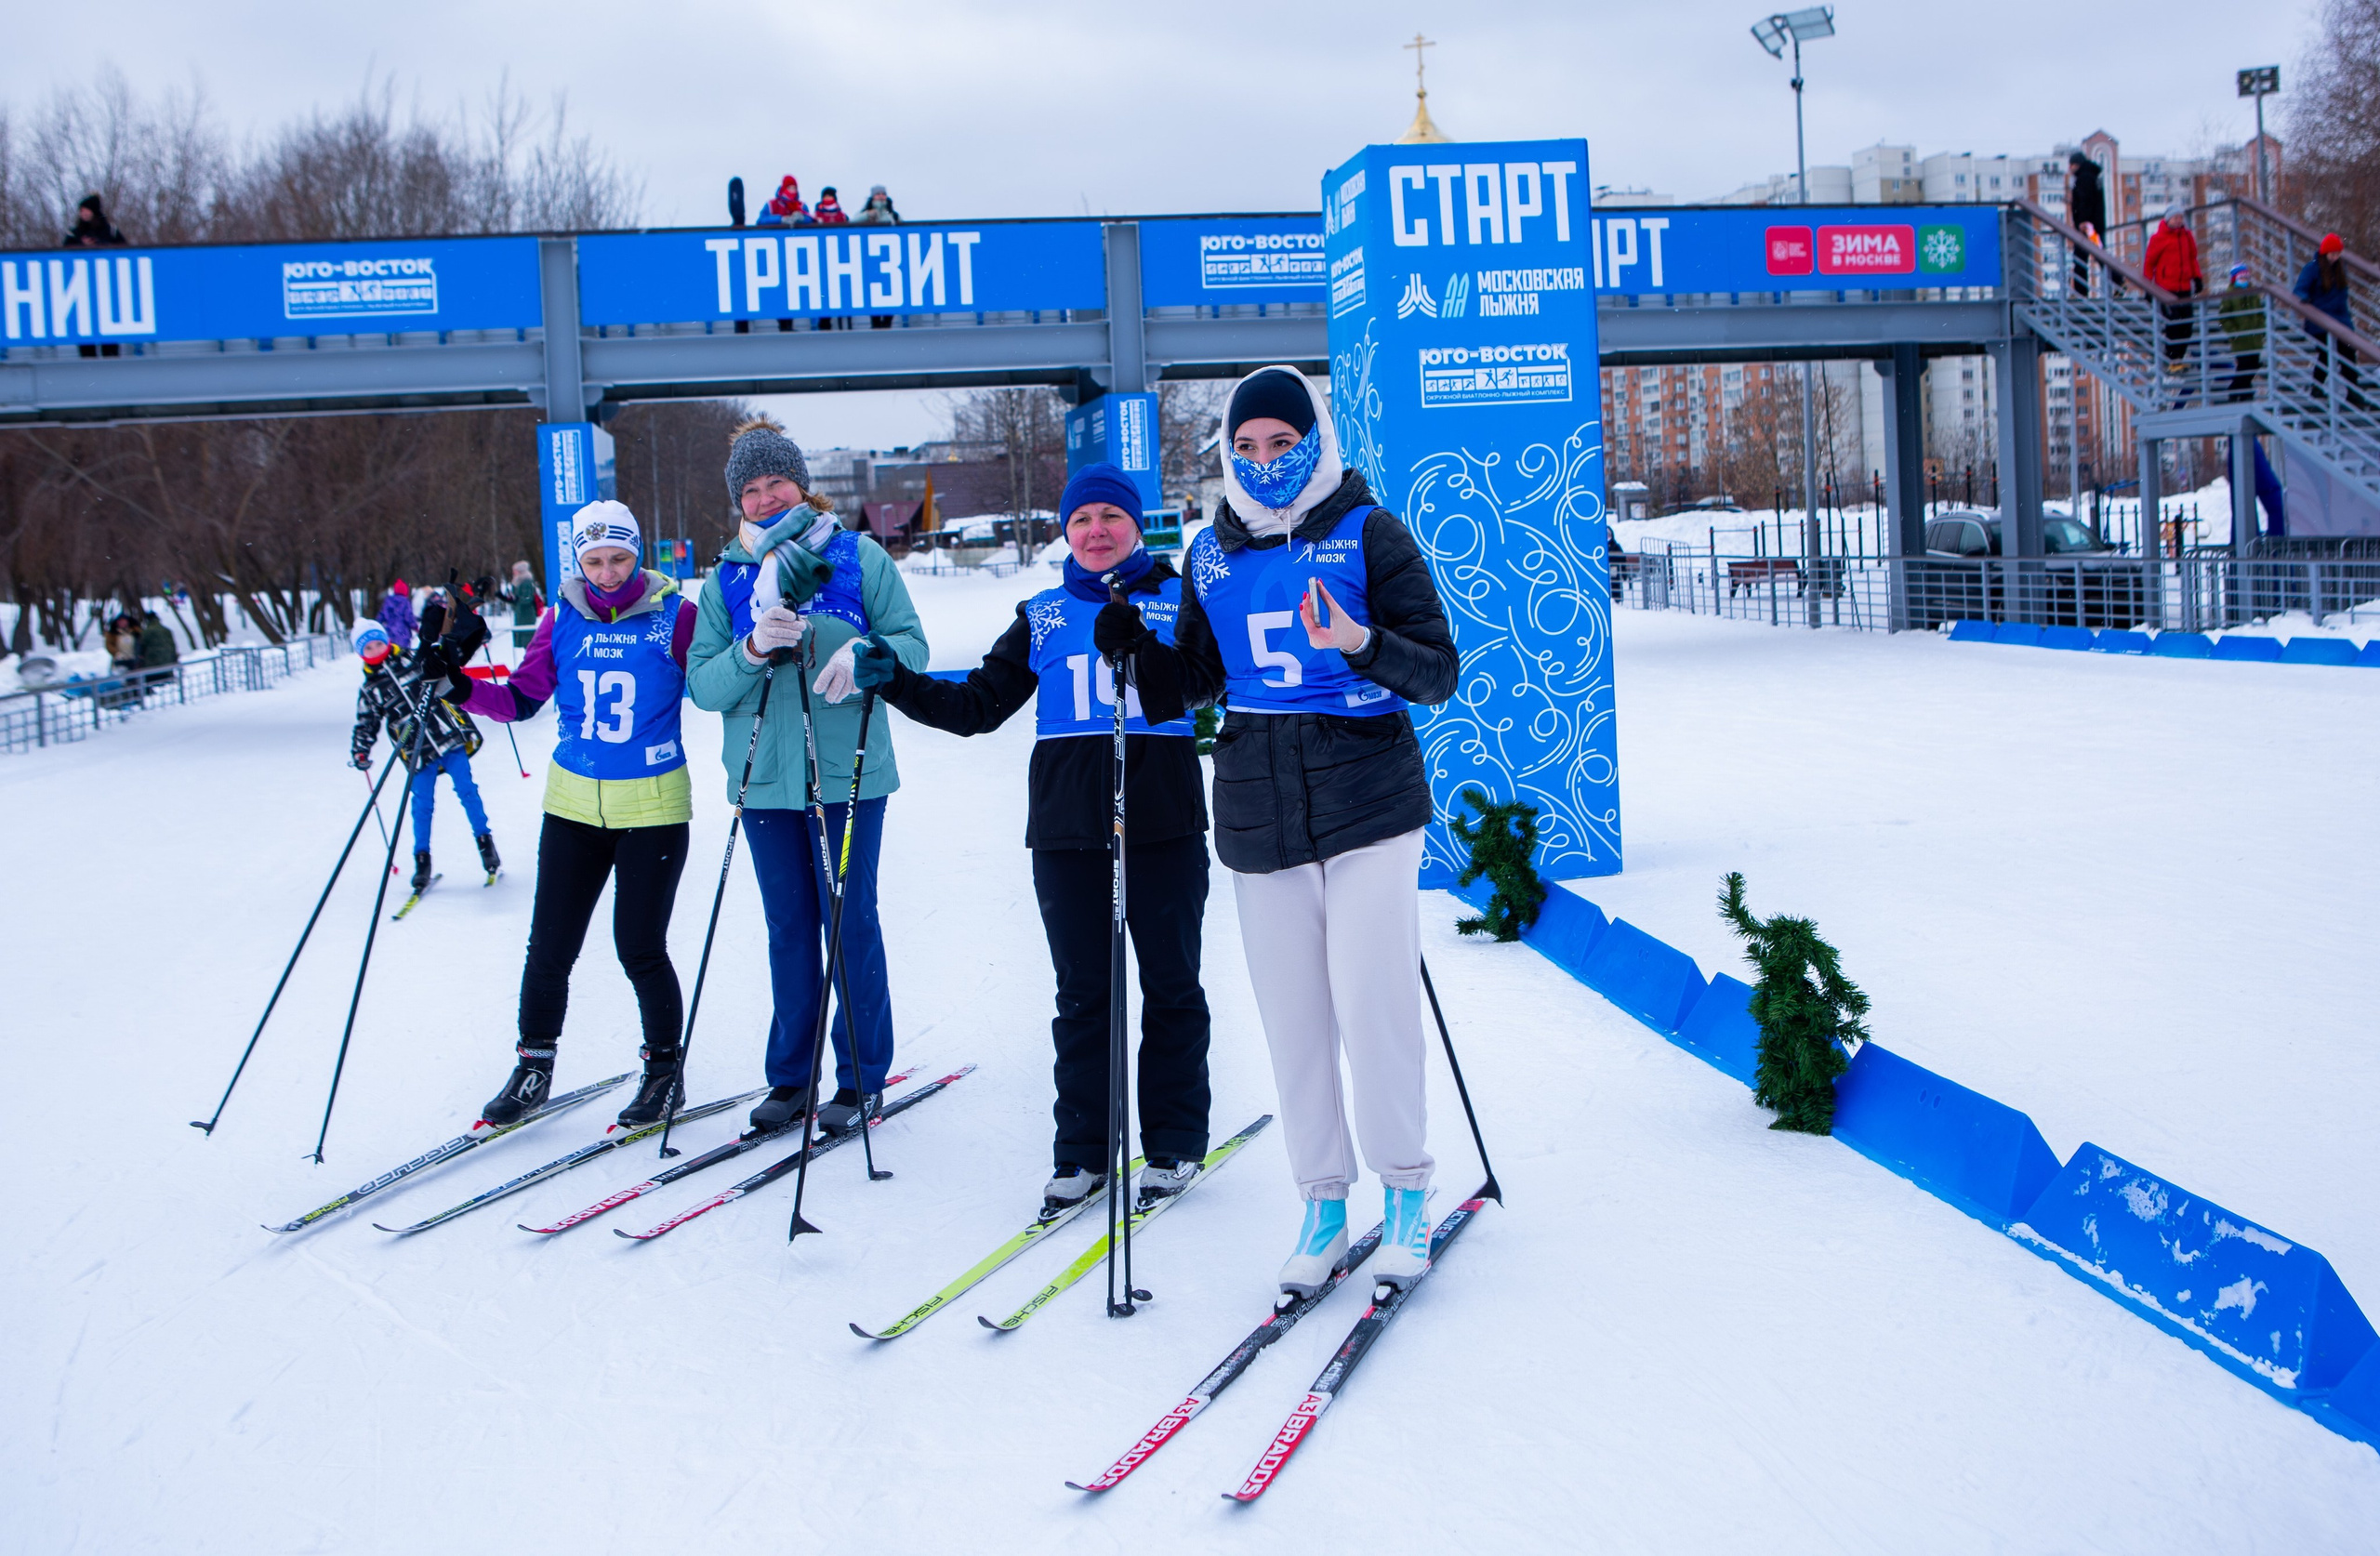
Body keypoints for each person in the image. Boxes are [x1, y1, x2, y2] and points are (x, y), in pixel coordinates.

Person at [1096, 366, 1458, 1295]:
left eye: (1281, 444)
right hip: (1260, 814)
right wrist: (1136, 653)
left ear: (1314, 442)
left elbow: (1436, 674)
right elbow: (1193, 684)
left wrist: (1358, 641)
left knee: (1371, 1004)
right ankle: (1323, 1202)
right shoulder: (1209, 555)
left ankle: (1407, 1193)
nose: (1263, 462)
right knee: (1294, 1022)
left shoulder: (1368, 532)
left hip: (1369, 802)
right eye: (1246, 447)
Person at [849, 463, 1213, 1211]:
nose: (1097, 532)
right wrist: (895, 682)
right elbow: (978, 705)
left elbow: (1203, 686)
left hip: (1161, 821)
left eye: (1111, 517)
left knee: (1171, 986)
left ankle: (1173, 1144)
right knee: (1083, 994)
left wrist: (1142, 646)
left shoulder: (1180, 600)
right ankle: (1080, 1152)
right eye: (1082, 520)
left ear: (1135, 525)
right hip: (1068, 829)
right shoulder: (1042, 612)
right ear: (1065, 530)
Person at [688, 417, 930, 1135]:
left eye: (776, 482)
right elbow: (704, 686)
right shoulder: (726, 579)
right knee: (790, 929)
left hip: (849, 779)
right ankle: (791, 1080)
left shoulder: (856, 556)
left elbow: (912, 645)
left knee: (849, 923)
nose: (765, 499)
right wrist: (754, 647)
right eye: (751, 489)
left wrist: (864, 654)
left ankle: (860, 1080)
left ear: (802, 484)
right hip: (766, 782)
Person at [423, 503, 697, 1130]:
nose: (606, 573)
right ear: (578, 560)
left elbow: (713, 684)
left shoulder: (677, 616)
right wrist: (458, 687)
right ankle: (532, 1070)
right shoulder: (561, 617)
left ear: (639, 554)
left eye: (620, 559)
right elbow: (522, 699)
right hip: (572, 806)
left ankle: (663, 1074)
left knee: (640, 949)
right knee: (550, 948)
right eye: (594, 560)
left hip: (653, 807)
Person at [350, 616, 497, 895]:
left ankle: (486, 845)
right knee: (421, 805)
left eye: (379, 642)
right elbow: (366, 721)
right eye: (368, 648)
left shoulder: (411, 659)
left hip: (447, 735)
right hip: (416, 750)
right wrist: (361, 749)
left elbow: (444, 661)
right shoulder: (371, 689)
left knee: (467, 790)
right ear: (361, 653)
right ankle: (422, 861)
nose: (376, 649)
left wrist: (466, 639)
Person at [2295, 233, 2367, 408]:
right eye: (2332, 254)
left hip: (2340, 321)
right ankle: (2317, 387)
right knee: (2326, 353)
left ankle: (2353, 392)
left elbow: (2341, 299)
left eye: (2337, 254)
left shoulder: (2340, 269)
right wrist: (2305, 298)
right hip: (2320, 321)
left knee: (2348, 354)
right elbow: (2300, 289)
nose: (2335, 258)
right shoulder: (2312, 268)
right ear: (2324, 253)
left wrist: (2348, 325)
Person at [2142, 204, 2203, 377]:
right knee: (2174, 323)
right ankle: (2173, 360)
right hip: (2166, 290)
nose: (2178, 220)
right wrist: (2148, 287)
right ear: (2167, 219)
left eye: (2180, 217)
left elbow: (2193, 259)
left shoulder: (2187, 236)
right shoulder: (2158, 238)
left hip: (2184, 288)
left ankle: (2178, 358)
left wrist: (2197, 278)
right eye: (2175, 218)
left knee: (2187, 324)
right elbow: (2149, 263)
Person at [63, 195, 127, 359]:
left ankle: (112, 363)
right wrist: (81, 247)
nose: (82, 213)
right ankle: (88, 367)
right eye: (81, 210)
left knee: (109, 328)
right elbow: (64, 253)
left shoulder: (110, 230)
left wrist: (100, 246)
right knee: (84, 329)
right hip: (82, 289)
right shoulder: (74, 232)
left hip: (107, 287)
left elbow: (124, 250)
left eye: (85, 210)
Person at [2218, 263, 2266, 404]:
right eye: (2241, 277)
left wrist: (2260, 329)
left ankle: (2242, 392)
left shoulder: (2253, 293)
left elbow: (2260, 313)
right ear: (2235, 278)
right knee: (2245, 366)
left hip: (2254, 337)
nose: (2244, 279)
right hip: (2240, 339)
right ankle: (2237, 391)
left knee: (2254, 364)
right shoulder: (2230, 294)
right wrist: (2234, 332)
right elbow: (2224, 316)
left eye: (2246, 277)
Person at [2065, 152, 2106, 298]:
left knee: (2080, 259)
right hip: (2094, 226)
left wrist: (2082, 222)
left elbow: (2085, 202)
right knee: (2100, 256)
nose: (2070, 168)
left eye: (2071, 165)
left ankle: (2081, 293)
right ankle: (2117, 283)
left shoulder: (2084, 178)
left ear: (2077, 165)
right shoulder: (2093, 176)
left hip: (2087, 228)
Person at [506, 560, 544, 653]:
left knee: (527, 639)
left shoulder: (526, 581)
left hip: (526, 615)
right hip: (521, 614)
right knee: (524, 639)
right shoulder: (518, 581)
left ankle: (531, 658)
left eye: (515, 570)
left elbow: (527, 598)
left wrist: (516, 599)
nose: (513, 572)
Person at [377, 577, 417, 650]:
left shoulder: (387, 601)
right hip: (403, 632)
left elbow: (382, 615)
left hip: (390, 631)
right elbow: (409, 617)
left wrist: (376, 624)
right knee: (402, 651)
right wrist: (415, 626)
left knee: (392, 651)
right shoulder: (405, 602)